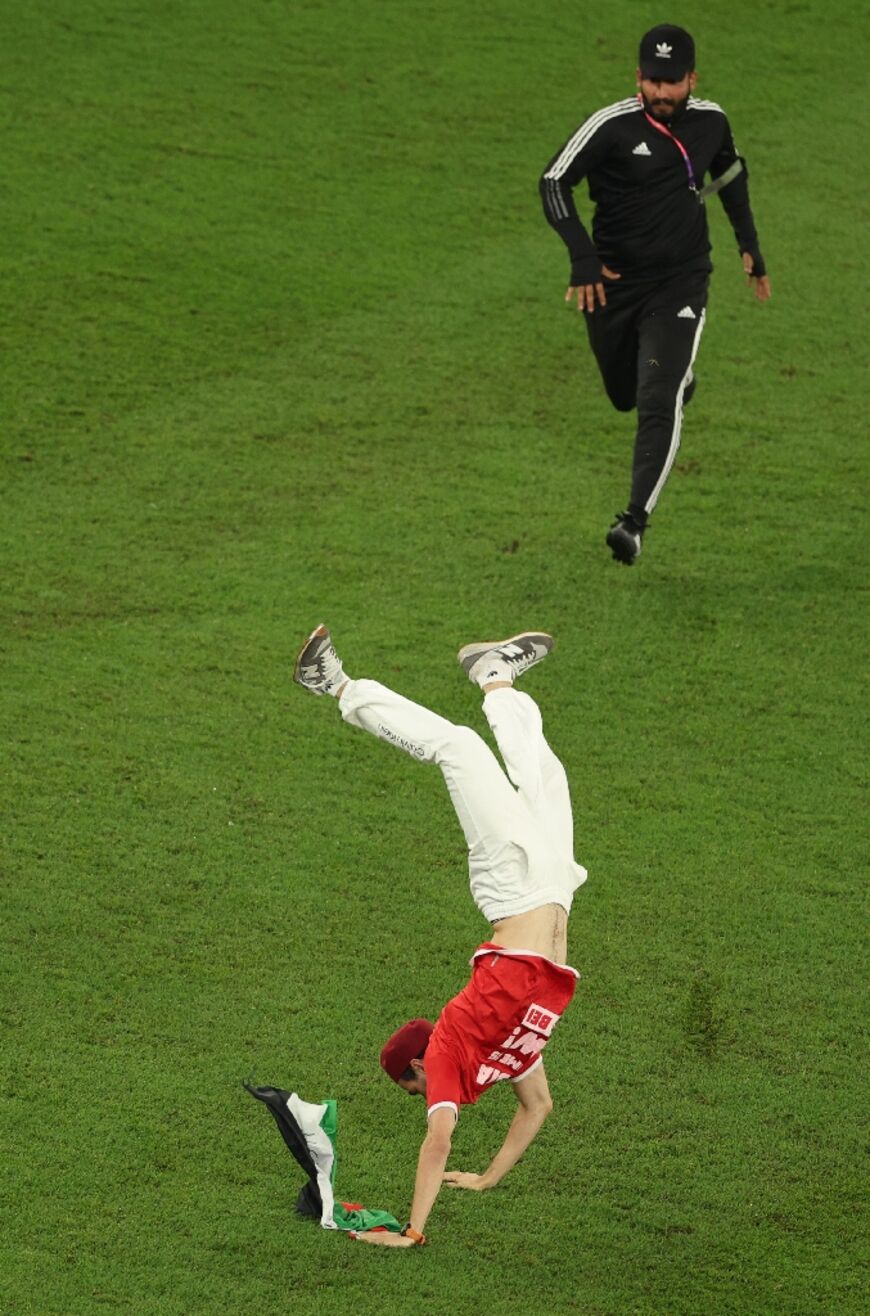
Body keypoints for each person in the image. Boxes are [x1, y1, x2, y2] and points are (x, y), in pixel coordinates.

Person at [293, 623, 587, 1247]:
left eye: (415, 1087)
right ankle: (494, 674)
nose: (426, 1097)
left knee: (460, 749)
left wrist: (413, 1229)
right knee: (546, 770)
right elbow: (538, 1107)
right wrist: (487, 1178)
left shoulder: (451, 1055)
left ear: (418, 1070)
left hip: (512, 886)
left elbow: (438, 1141)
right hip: (555, 883)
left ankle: (337, 686)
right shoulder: (502, 1057)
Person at [540, 23, 772, 565]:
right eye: (653, 81)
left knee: (657, 396)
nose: (662, 93)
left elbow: (731, 174)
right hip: (614, 285)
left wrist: (750, 246)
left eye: (673, 82)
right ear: (637, 78)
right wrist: (583, 257)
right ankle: (676, 376)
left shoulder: (712, 121)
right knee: (625, 393)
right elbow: (553, 181)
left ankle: (633, 522)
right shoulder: (612, 126)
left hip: (682, 281)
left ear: (692, 78)